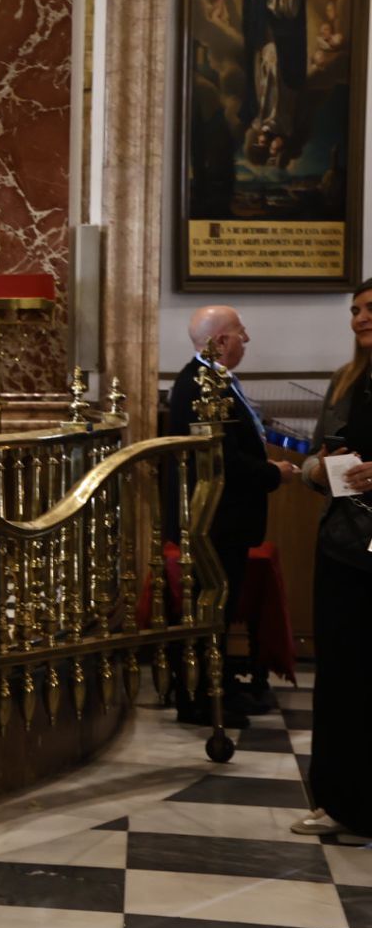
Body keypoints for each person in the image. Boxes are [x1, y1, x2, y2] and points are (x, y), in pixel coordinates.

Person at [166, 305, 296, 725]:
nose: (248, 339)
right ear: (220, 340)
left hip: (226, 521)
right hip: (212, 523)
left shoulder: (215, 379)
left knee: (219, 608)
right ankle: (203, 697)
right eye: (241, 331)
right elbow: (221, 460)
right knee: (210, 608)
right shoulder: (197, 385)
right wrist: (272, 473)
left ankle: (217, 685)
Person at [294, 277, 372, 837]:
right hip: (342, 545)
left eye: (370, 309)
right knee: (341, 676)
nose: (360, 318)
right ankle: (339, 799)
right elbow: (313, 461)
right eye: (355, 311)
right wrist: (318, 469)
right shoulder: (344, 380)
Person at [242, 0, 307, 151]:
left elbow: (299, 1)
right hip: (265, 27)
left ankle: (278, 125)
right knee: (266, 70)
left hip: (287, 32)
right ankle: (264, 122)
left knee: (281, 72)